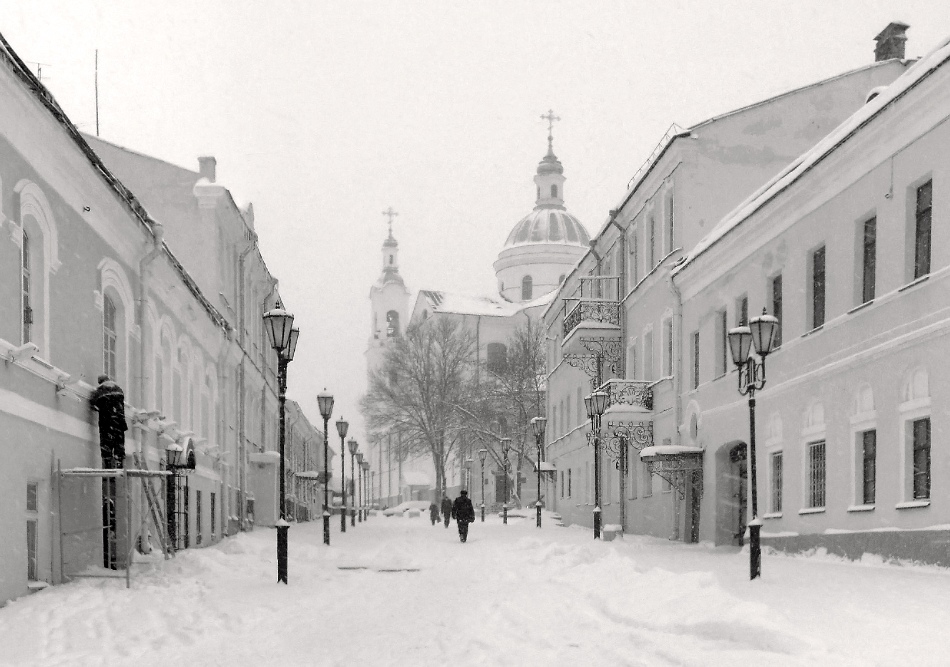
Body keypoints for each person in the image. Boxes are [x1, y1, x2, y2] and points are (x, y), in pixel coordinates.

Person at [90, 374, 128, 469]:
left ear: (100, 382)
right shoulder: (119, 389)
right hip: (119, 422)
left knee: (107, 447)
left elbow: (93, 404)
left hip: (106, 423)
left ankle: (108, 466)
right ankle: (119, 463)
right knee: (119, 445)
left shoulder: (99, 391)